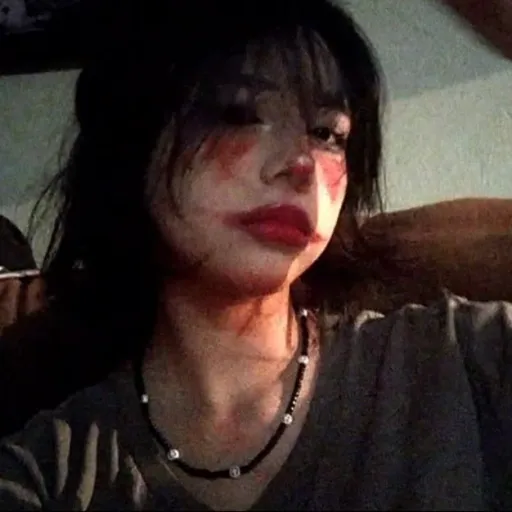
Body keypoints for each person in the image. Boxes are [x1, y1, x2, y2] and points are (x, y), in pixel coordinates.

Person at [0, 0, 510, 509]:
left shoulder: (465, 361)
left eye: (327, 133)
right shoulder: (51, 473)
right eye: (238, 113)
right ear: (132, 143)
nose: (302, 164)